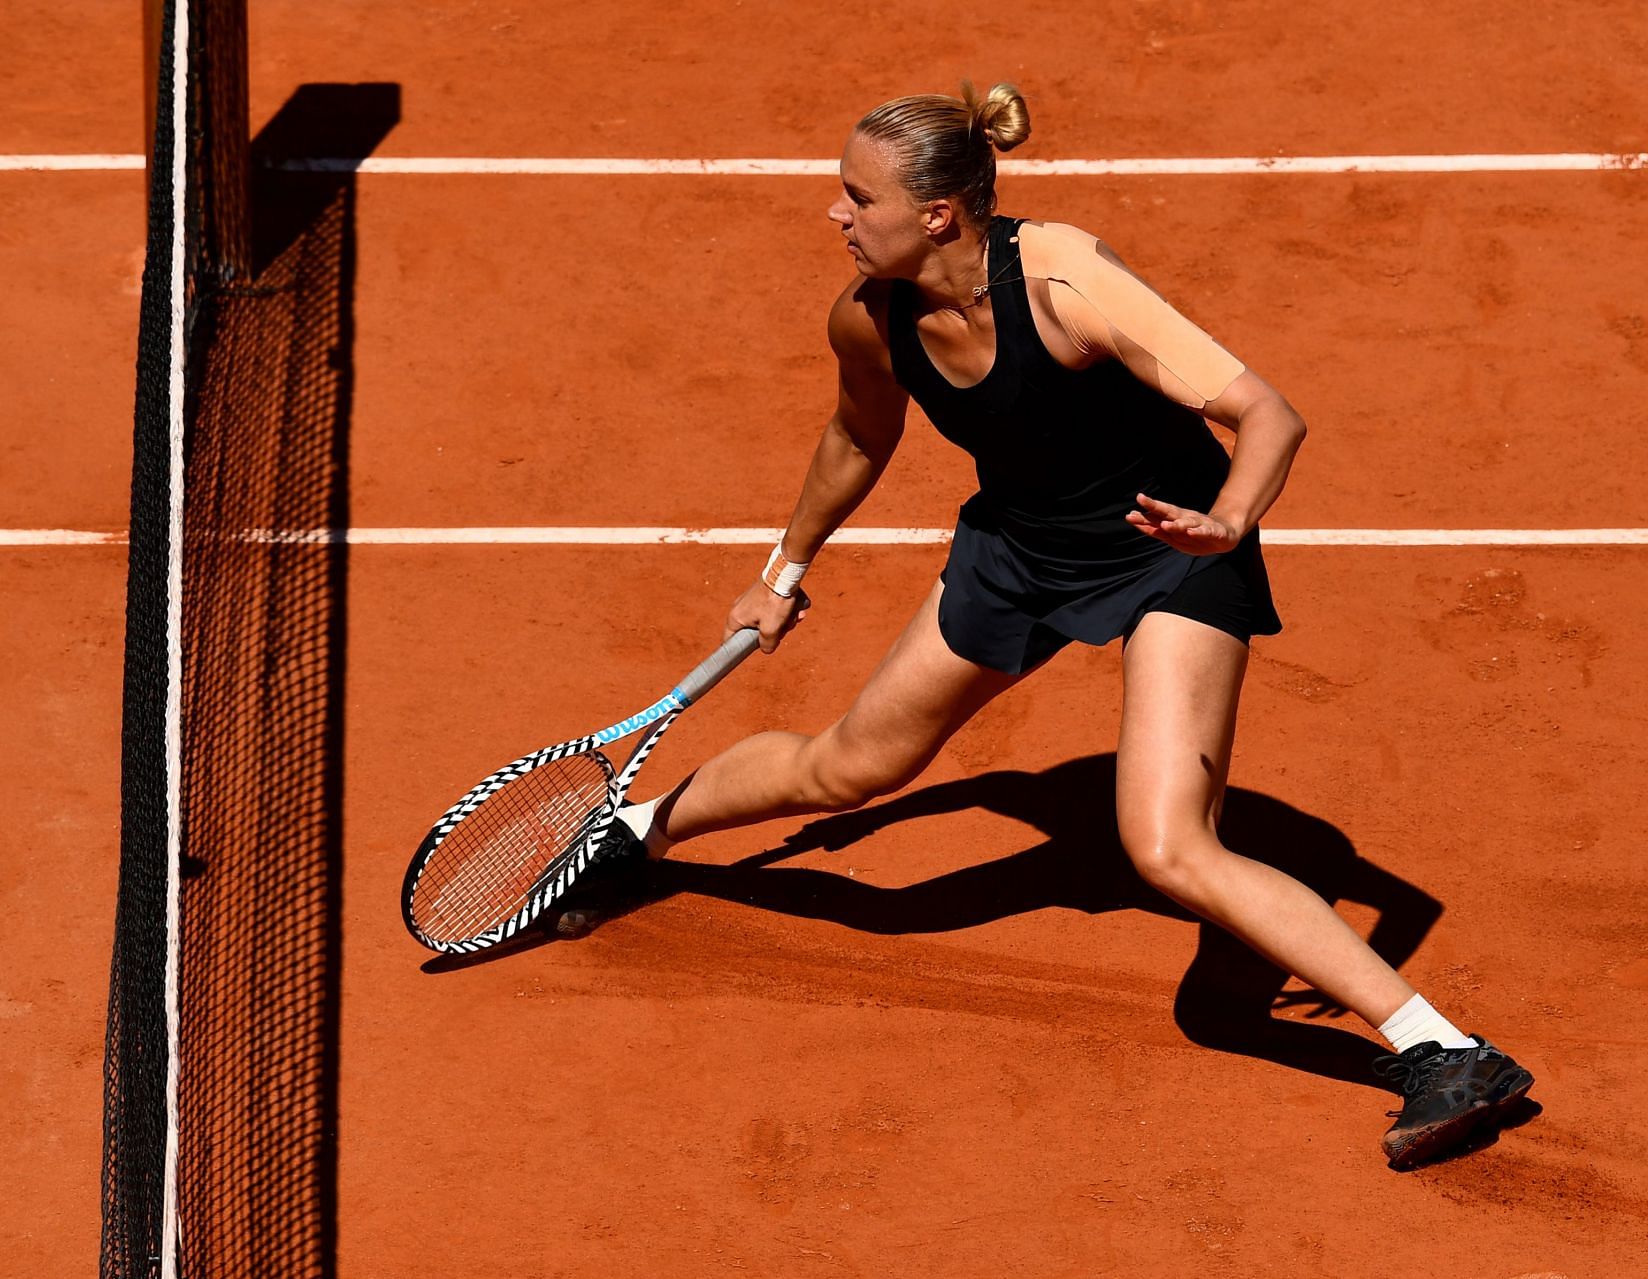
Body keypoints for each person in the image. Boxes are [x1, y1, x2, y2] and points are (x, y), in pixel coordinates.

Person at [568, 81, 1533, 1170]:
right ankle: (629, 831)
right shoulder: (871, 315)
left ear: (939, 213)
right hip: (1019, 549)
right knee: (848, 769)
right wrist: (783, 569)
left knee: (1167, 845)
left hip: (1169, 544)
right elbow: (855, 434)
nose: (836, 214)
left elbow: (1268, 412)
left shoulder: (1066, 277)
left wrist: (1224, 521)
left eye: (856, 195)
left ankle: (1444, 1049)